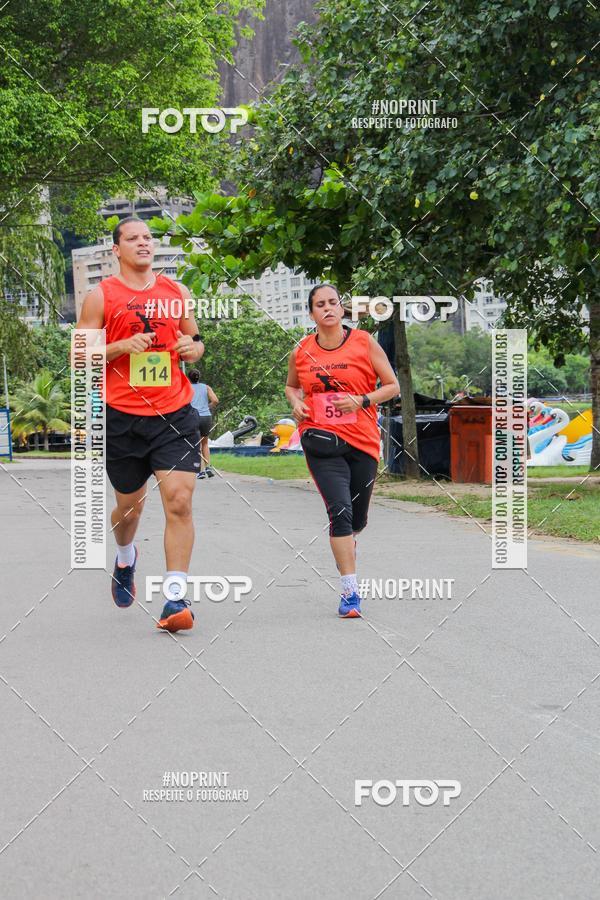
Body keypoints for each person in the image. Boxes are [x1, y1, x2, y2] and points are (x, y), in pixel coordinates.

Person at [75, 216, 204, 633]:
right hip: (123, 419)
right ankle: (126, 556)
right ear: (117, 250)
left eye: (148, 238)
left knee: (179, 501)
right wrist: (119, 347)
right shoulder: (101, 296)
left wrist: (191, 347)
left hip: (174, 412)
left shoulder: (176, 292)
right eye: (133, 239)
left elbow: (196, 343)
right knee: (129, 509)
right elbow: (79, 356)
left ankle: (174, 598)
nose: (143, 244)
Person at [285, 284, 399, 618]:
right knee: (339, 513)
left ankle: (349, 540)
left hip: (362, 441)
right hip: (321, 441)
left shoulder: (364, 342)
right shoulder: (302, 350)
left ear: (341, 308)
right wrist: (296, 404)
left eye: (333, 302)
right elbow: (292, 387)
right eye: (320, 305)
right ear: (311, 313)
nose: (328, 308)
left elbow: (391, 386)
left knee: (357, 518)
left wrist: (361, 400)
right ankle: (350, 592)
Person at [188, 369, 218, 478]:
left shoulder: (187, 388)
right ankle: (208, 467)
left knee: (196, 444)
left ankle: (200, 471)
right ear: (198, 377)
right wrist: (206, 407)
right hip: (206, 417)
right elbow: (215, 400)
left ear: (188, 378)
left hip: (194, 417)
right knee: (205, 443)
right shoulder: (206, 387)